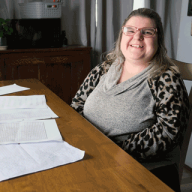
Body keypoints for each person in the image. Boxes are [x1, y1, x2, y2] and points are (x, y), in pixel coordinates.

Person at [71, 8, 190, 192]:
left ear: (158, 40)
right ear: (122, 35)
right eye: (130, 30)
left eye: (147, 32)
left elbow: (168, 132)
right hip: (94, 157)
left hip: (144, 171)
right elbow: (77, 105)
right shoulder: (105, 67)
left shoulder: (167, 78)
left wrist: (112, 150)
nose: (137, 36)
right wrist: (86, 142)